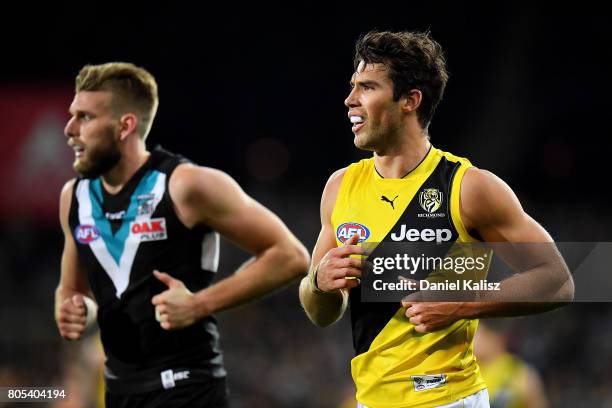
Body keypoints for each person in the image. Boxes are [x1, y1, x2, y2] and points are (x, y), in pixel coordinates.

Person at [299, 30, 574, 408]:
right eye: (352, 87)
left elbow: (558, 280)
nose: (350, 100)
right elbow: (320, 313)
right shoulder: (340, 187)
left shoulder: (469, 188)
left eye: (367, 87)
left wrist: (463, 301)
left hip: (449, 398)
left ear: (410, 100)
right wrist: (318, 282)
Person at [54, 62, 310, 407]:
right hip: (119, 392)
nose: (70, 128)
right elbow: (74, 290)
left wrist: (199, 304)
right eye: (72, 115)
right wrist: (70, 307)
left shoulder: (185, 184)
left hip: (187, 388)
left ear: (124, 126)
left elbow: (291, 256)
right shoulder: (75, 197)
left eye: (84, 117)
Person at [474, 322, 549, 408]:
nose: (471, 342)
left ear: (495, 337)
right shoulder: (468, 371)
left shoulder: (519, 374)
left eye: (477, 334)